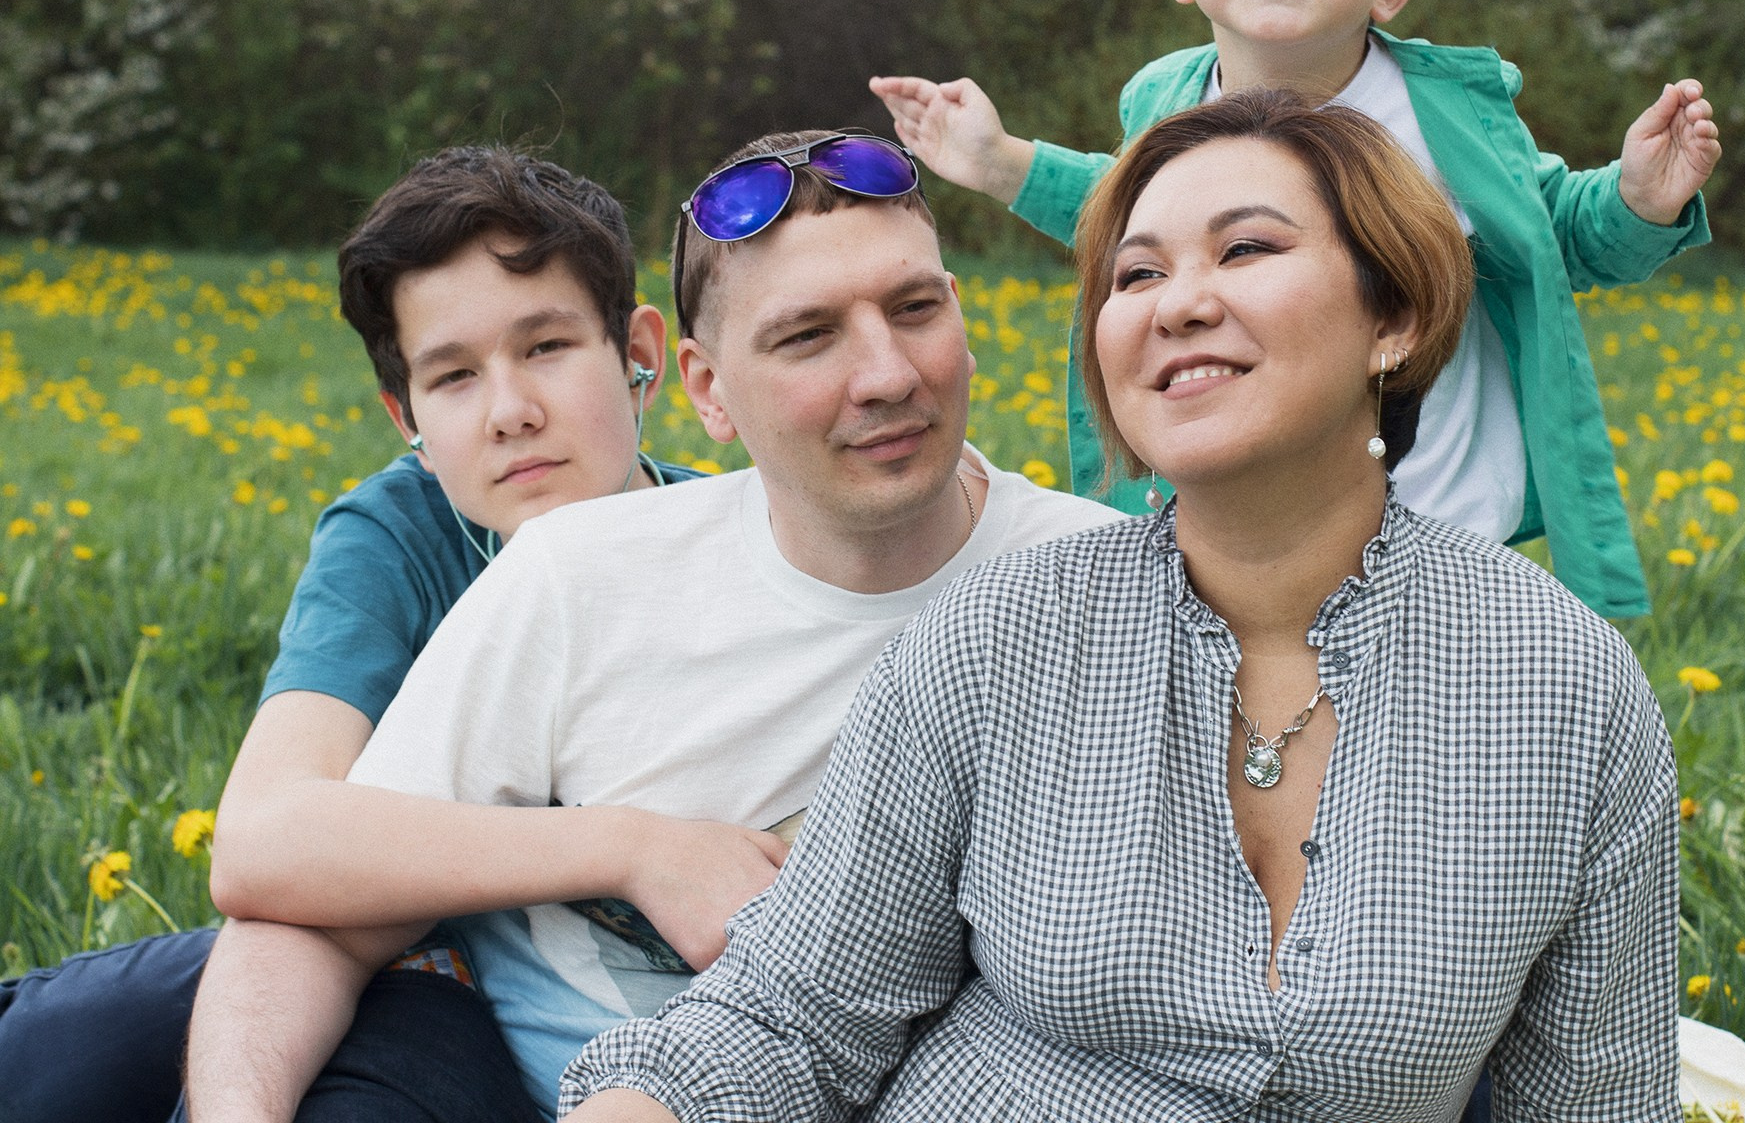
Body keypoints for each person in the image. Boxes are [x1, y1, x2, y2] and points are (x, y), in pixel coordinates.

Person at [561, 91, 1681, 1122]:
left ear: (1391, 316)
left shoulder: (1560, 688)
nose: (1179, 302)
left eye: (1246, 249)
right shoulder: (998, 639)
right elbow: (787, 1017)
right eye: (1135, 277)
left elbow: (1596, 1101)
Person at [181, 129, 1119, 1121]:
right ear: (706, 388)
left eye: (913, 308)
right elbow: (300, 909)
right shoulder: (573, 573)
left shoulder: (1105, 593)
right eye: (808, 335)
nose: (886, 374)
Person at [872, 0, 1722, 617]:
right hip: (1225, 535)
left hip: (1443, 534)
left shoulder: (1447, 119)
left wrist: (1640, 199)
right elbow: (1120, 217)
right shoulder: (1166, 108)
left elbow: (1560, 234)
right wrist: (1001, 163)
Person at [0, 146, 704, 1123]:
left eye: (544, 346)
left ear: (640, 353)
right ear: (401, 413)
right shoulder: (403, 530)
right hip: (377, 941)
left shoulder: (746, 552)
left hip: (477, 1017)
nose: (511, 412)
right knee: (47, 1056)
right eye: (453, 376)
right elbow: (260, 842)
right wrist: (627, 848)